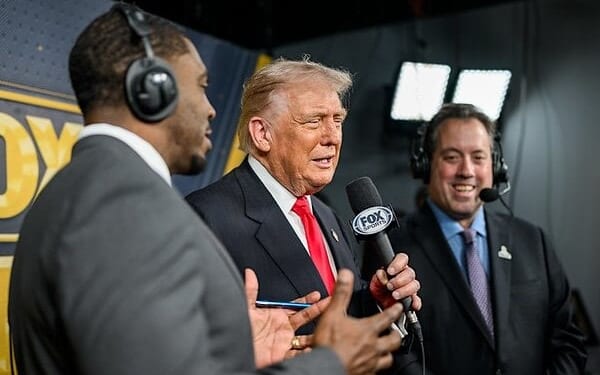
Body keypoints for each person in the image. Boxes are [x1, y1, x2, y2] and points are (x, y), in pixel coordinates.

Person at [7, 4, 407, 375]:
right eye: (200, 86)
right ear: (152, 92)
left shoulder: (89, 188)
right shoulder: (121, 204)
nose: (212, 108)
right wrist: (330, 365)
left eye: (337, 119)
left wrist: (237, 354)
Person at [185, 57, 421, 348]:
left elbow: (340, 326)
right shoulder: (205, 217)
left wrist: (377, 304)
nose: (332, 137)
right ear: (262, 134)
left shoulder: (330, 218)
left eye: (337, 121)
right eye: (314, 121)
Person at [386, 103, 587, 374]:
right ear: (425, 164)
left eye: (478, 157)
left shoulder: (532, 241)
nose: (467, 170)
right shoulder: (393, 247)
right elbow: (392, 350)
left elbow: (568, 341)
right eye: (452, 157)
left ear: (496, 167)